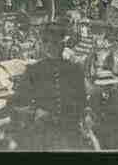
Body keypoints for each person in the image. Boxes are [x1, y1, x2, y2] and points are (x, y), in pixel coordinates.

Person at [10, 18, 87, 150]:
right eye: (46, 42)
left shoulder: (75, 70)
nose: (50, 46)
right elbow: (18, 103)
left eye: (55, 42)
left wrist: (79, 115)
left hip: (70, 131)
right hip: (42, 133)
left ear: (63, 44)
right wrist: (35, 112)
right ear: (41, 44)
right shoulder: (33, 70)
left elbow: (82, 100)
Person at [87, 70, 118, 150]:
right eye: (103, 85)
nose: (105, 88)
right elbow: (91, 116)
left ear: (112, 85)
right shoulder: (93, 98)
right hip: (100, 136)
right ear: (99, 86)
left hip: (117, 136)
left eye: (108, 85)